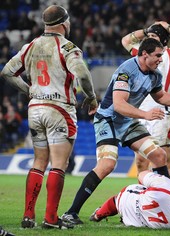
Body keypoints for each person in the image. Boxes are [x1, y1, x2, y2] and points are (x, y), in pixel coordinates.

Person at [62, 38, 170, 225]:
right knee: (107, 165)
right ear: (144, 53)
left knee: (159, 156)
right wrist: (145, 114)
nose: (160, 60)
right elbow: (119, 104)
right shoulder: (126, 70)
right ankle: (71, 213)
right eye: (157, 55)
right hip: (109, 120)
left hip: (128, 121)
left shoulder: (155, 75)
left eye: (161, 56)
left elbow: (161, 96)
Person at [0, 5, 98, 230]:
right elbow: (82, 73)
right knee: (59, 164)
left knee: (38, 162)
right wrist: (91, 97)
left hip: (35, 109)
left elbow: (7, 71)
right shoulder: (66, 46)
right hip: (59, 110)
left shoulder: (31, 46)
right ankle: (51, 218)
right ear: (64, 23)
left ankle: (28, 216)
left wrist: (28, 90)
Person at [121, 21, 170, 181]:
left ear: (164, 41)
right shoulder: (142, 55)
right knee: (140, 161)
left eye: (154, 36)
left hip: (162, 113)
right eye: (148, 37)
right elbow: (125, 40)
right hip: (141, 113)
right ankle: (144, 199)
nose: (148, 39)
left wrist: (166, 26)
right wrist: (146, 30)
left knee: (163, 161)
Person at [88, 170, 170, 229]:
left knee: (122, 196)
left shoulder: (167, 185)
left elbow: (141, 175)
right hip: (135, 222)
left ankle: (98, 214)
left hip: (126, 203)